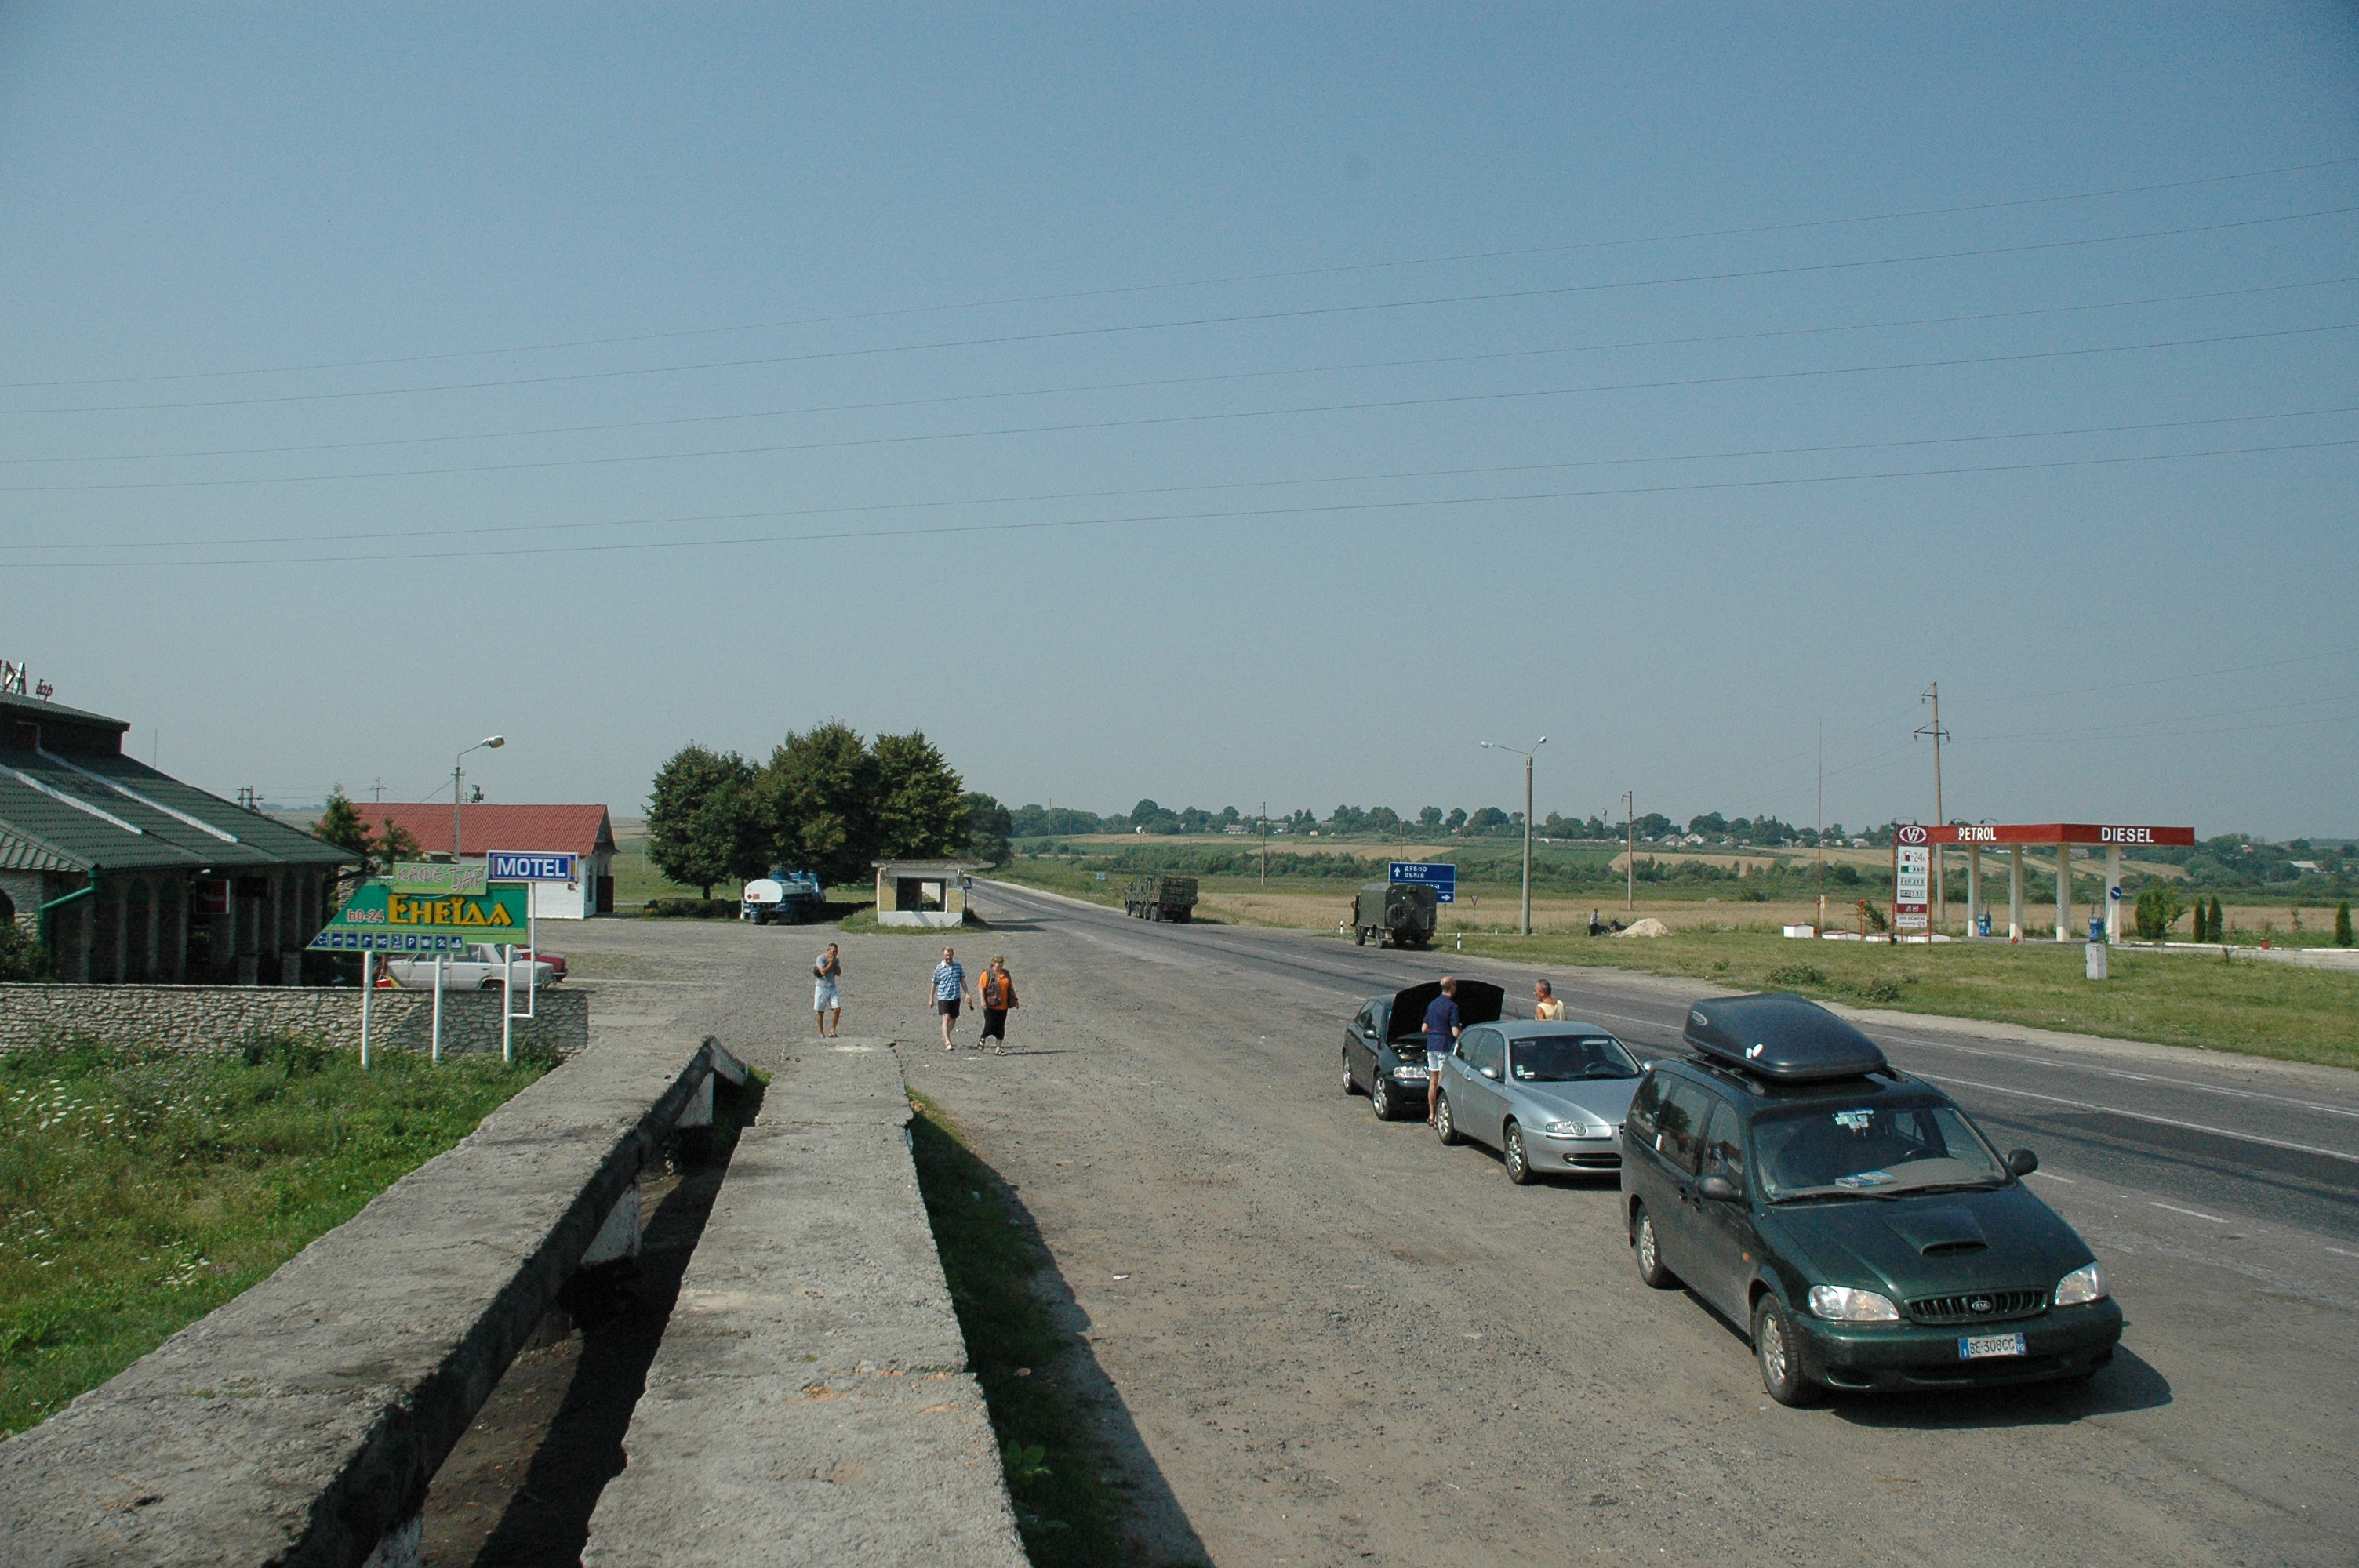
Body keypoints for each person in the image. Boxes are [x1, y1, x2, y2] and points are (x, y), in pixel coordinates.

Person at [1423, 976, 1463, 1124]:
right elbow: (1455, 1033)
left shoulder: (1432, 1004)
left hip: (1431, 1046)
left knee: (1433, 1082)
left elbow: (1424, 1028)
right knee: (1442, 1083)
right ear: (1452, 987)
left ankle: (1432, 1115)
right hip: (1444, 1047)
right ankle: (1441, 1116)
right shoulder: (1453, 1007)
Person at [931, 946, 973, 1051]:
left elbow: (962, 980)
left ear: (953, 954)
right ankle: (947, 1042)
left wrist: (967, 993)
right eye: (946, 955)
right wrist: (931, 998)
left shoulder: (958, 966)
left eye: (950, 955)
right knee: (946, 1017)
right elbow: (934, 983)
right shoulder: (939, 968)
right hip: (943, 997)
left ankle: (946, 1035)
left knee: (953, 1019)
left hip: (955, 996)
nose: (948, 957)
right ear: (943, 955)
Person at [978, 956, 1019, 1053]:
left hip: (1003, 1006)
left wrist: (1015, 1000)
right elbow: (981, 988)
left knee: (1001, 1027)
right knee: (989, 1025)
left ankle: (998, 1048)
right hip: (990, 1005)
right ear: (993, 963)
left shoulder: (1006, 973)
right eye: (998, 963)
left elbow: (1010, 987)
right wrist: (983, 1001)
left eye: (1001, 963)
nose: (1000, 965)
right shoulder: (987, 974)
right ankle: (983, 1038)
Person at [812, 942, 844, 1037]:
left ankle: (832, 1030)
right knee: (821, 1011)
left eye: (837, 952)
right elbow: (822, 972)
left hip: (832, 987)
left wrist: (834, 963)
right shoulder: (821, 959)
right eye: (834, 951)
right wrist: (830, 963)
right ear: (828, 951)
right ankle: (821, 1032)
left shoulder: (836, 960)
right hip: (822, 987)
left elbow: (839, 973)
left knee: (837, 1009)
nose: (836, 954)